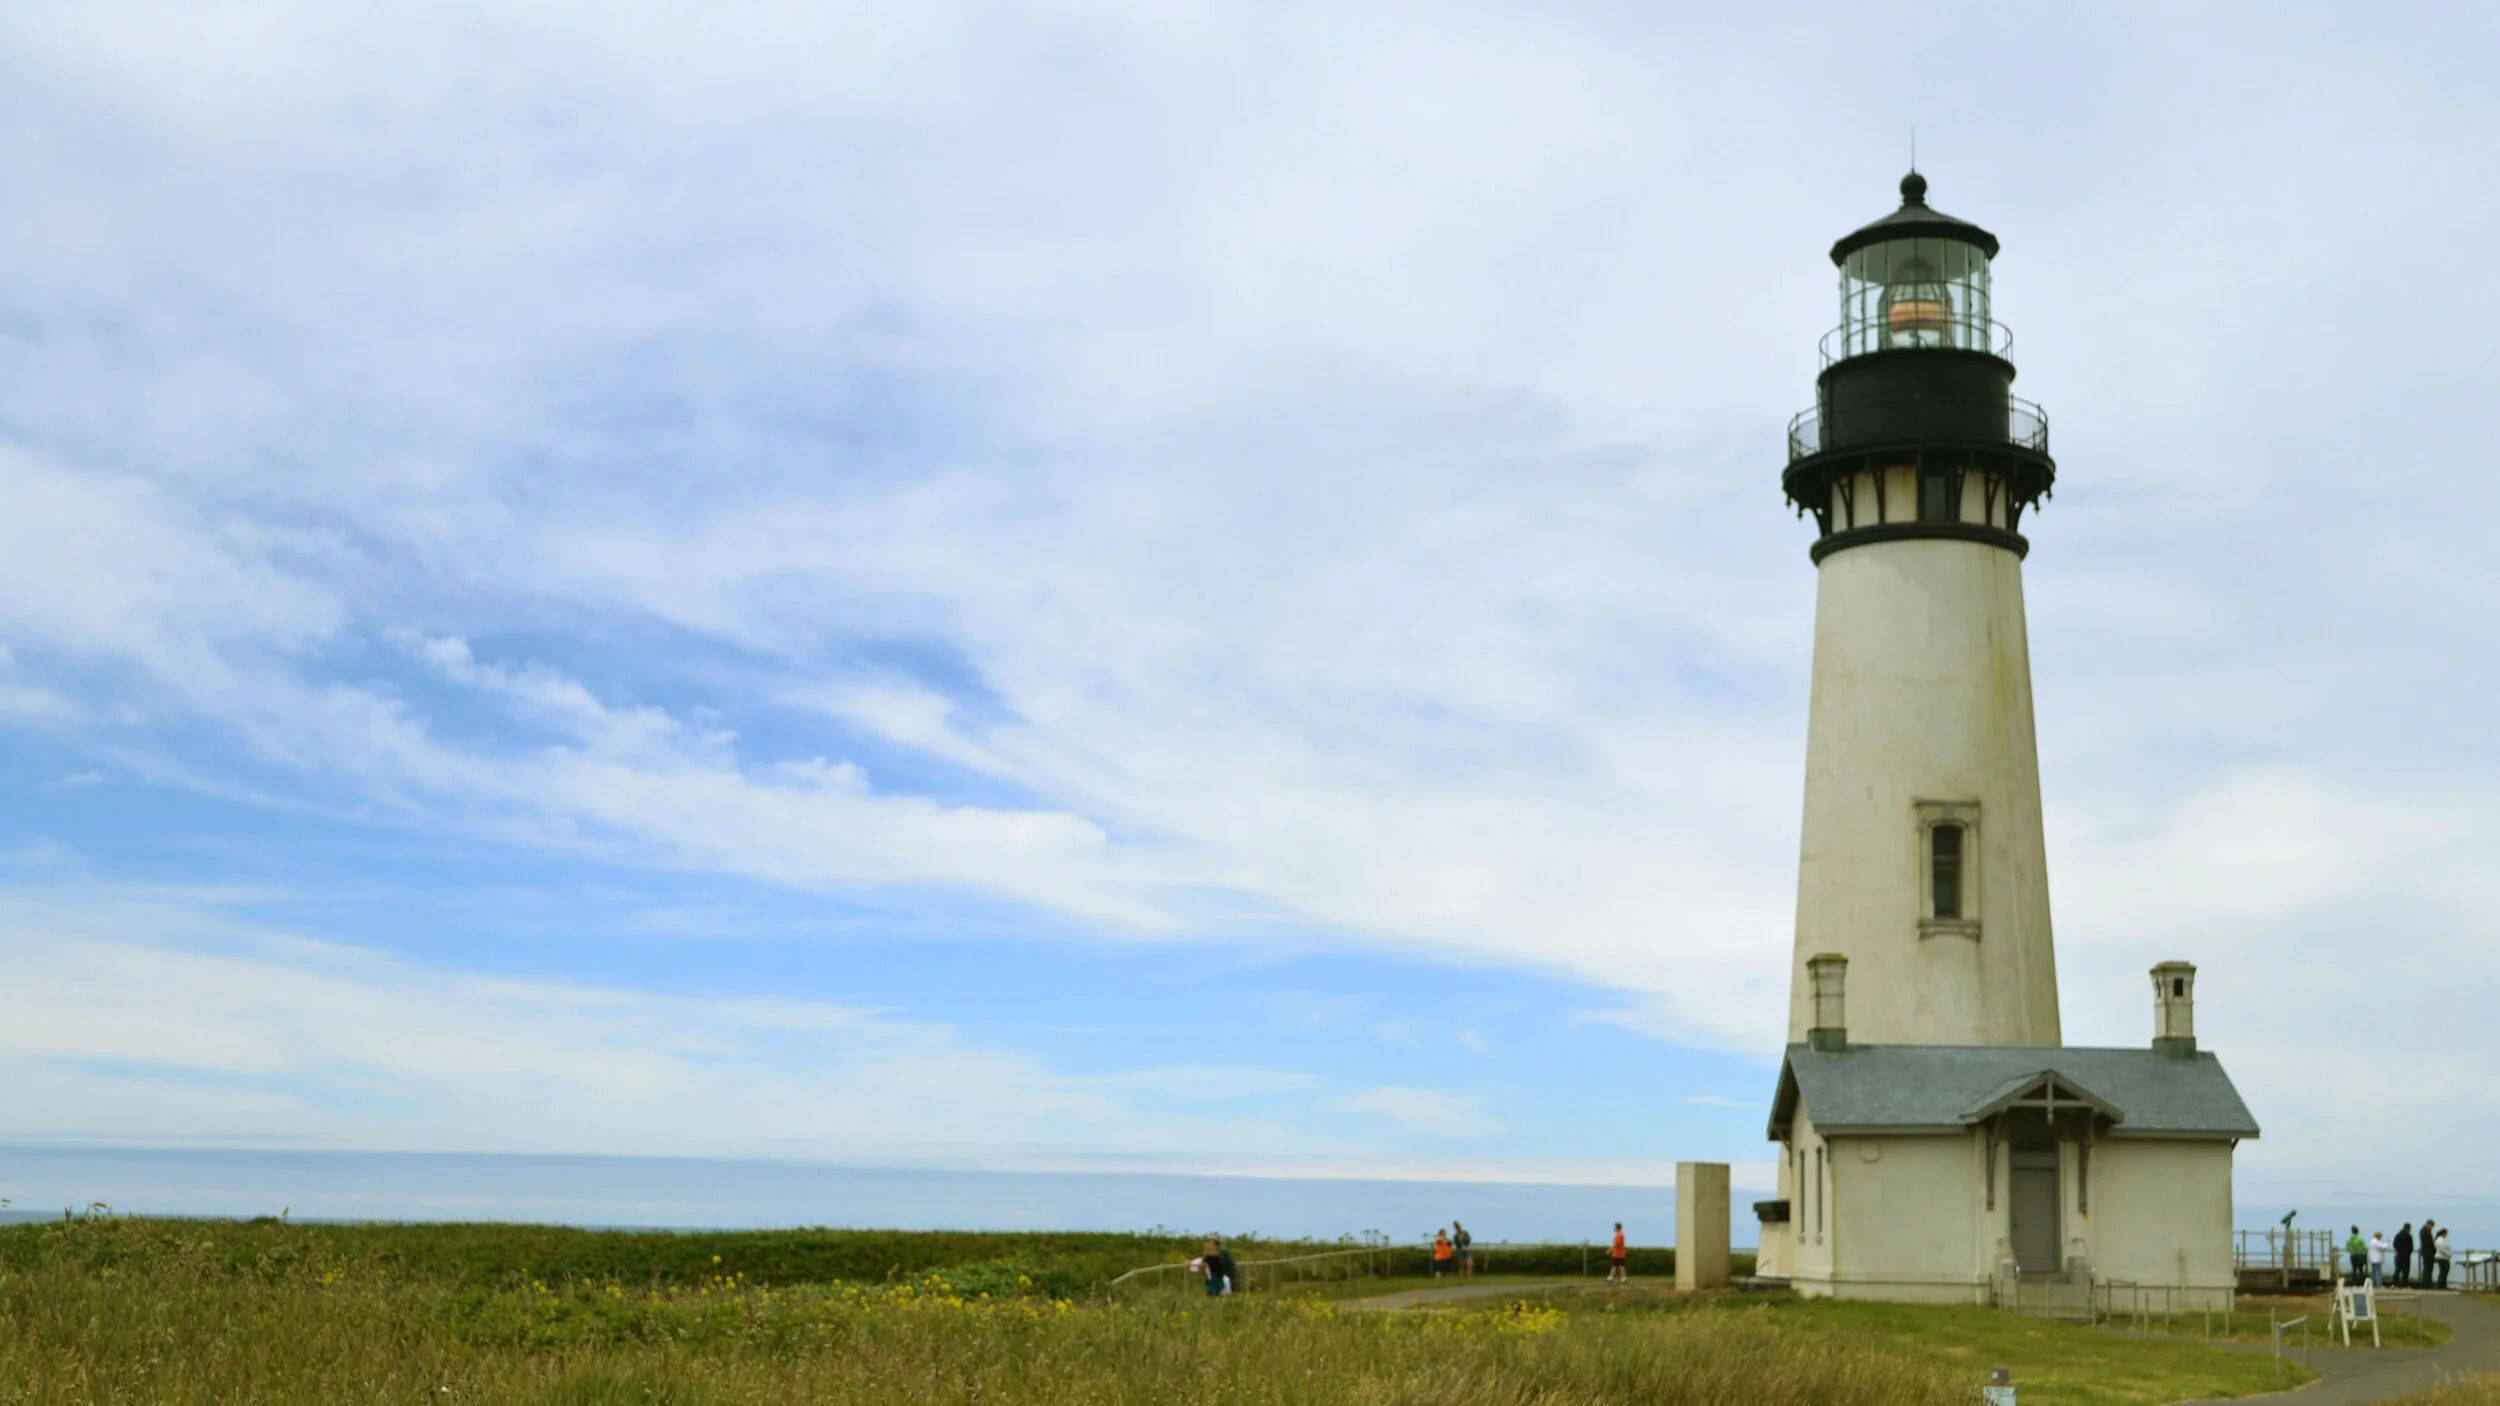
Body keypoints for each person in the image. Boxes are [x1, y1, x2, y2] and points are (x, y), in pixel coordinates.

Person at [2395, 1223, 2415, 1287]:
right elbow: (2411, 1246)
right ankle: (2404, 1283)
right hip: (2406, 1255)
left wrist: (2398, 1250)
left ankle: (2395, 1283)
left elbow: (2395, 1244)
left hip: (2399, 1254)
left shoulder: (2398, 1235)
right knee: (2406, 1270)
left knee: (2397, 1269)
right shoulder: (2409, 1236)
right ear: (2408, 1228)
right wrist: (2409, 1252)